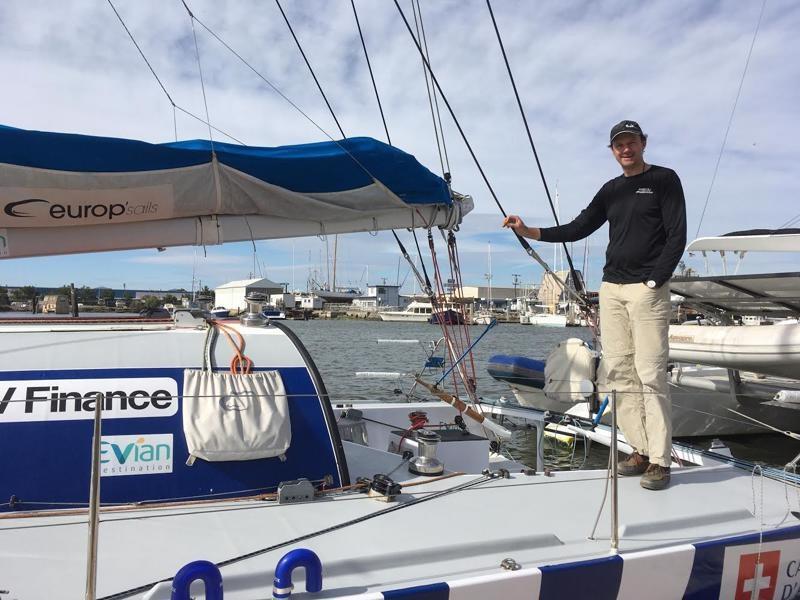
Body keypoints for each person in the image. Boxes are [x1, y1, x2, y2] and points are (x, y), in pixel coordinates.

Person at [503, 120, 686, 490]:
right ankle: (640, 450)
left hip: (647, 289)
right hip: (612, 289)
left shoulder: (665, 180)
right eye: (619, 145)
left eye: (631, 142)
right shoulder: (612, 190)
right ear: (613, 151)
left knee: (650, 373)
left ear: (643, 144)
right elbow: (579, 227)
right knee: (619, 373)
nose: (626, 149)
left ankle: (661, 461)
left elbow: (676, 235)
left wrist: (656, 280)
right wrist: (530, 231)